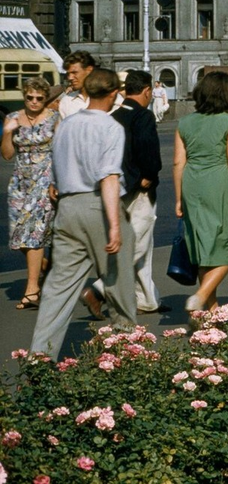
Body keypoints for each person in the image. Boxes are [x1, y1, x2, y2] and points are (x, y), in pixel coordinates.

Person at [30, 69, 134, 359]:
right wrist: (114, 225)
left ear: (87, 92)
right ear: (114, 93)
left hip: (67, 206)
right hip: (97, 205)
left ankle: (41, 353)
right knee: (118, 276)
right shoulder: (111, 127)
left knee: (59, 286)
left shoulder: (66, 124)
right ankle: (126, 348)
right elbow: (109, 177)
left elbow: (56, 165)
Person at [86, 70, 165, 316]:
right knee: (138, 244)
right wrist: (150, 175)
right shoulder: (144, 116)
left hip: (117, 187)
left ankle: (147, 300)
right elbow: (147, 150)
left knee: (143, 245)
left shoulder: (115, 115)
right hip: (139, 189)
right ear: (147, 91)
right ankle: (98, 290)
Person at [175, 72, 228, 315]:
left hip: (192, 182)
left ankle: (211, 311)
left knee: (201, 248)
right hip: (219, 181)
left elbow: (177, 163)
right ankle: (200, 297)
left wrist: (179, 197)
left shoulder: (185, 122)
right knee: (224, 248)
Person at [3, 77, 60, 310]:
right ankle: (43, 265)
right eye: (30, 97)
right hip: (20, 181)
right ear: (24, 95)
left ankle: (32, 290)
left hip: (45, 179)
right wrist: (7, 133)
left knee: (33, 233)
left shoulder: (55, 118)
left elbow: (61, 151)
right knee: (18, 235)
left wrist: (56, 181)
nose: (34, 102)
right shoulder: (12, 118)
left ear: (45, 98)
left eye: (39, 98)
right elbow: (7, 155)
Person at [58, 50, 98, 118]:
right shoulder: (67, 101)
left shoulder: (107, 99)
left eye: (74, 72)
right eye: (68, 74)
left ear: (89, 70)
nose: (70, 78)